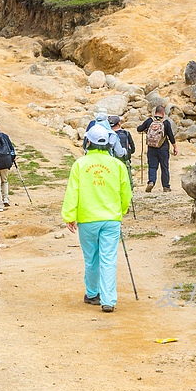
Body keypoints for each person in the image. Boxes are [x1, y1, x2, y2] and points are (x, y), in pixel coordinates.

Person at [63, 123, 132, 313]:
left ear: (88, 142)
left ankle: (92, 293)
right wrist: (122, 209)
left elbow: (72, 192)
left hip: (87, 219)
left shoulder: (80, 165)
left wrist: (69, 215)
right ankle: (108, 300)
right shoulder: (118, 165)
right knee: (108, 259)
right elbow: (126, 193)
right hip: (111, 218)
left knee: (91, 258)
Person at [137, 105, 177, 193]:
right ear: (163, 113)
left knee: (152, 167)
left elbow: (139, 129)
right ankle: (166, 187)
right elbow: (170, 136)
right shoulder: (166, 122)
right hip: (163, 148)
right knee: (164, 167)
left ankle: (151, 182)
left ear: (155, 112)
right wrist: (175, 147)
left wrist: (146, 129)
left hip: (151, 148)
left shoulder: (150, 121)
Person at [109, 115, 136, 191]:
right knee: (127, 179)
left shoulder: (107, 134)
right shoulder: (126, 133)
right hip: (124, 161)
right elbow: (133, 149)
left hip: (111, 162)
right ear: (119, 123)